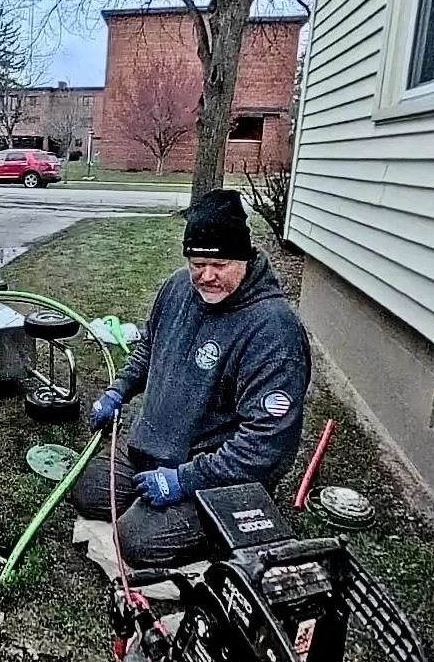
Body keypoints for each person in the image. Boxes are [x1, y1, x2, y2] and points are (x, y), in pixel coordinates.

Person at [72, 189, 311, 569]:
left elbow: (265, 445)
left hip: (215, 471)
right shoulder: (176, 288)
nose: (207, 276)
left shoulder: (272, 330)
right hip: (154, 447)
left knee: (134, 542)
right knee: (88, 493)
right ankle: (156, 503)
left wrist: (184, 481)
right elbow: (149, 347)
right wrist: (118, 391)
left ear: (245, 258)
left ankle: (220, 536)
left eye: (221, 264)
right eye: (198, 262)